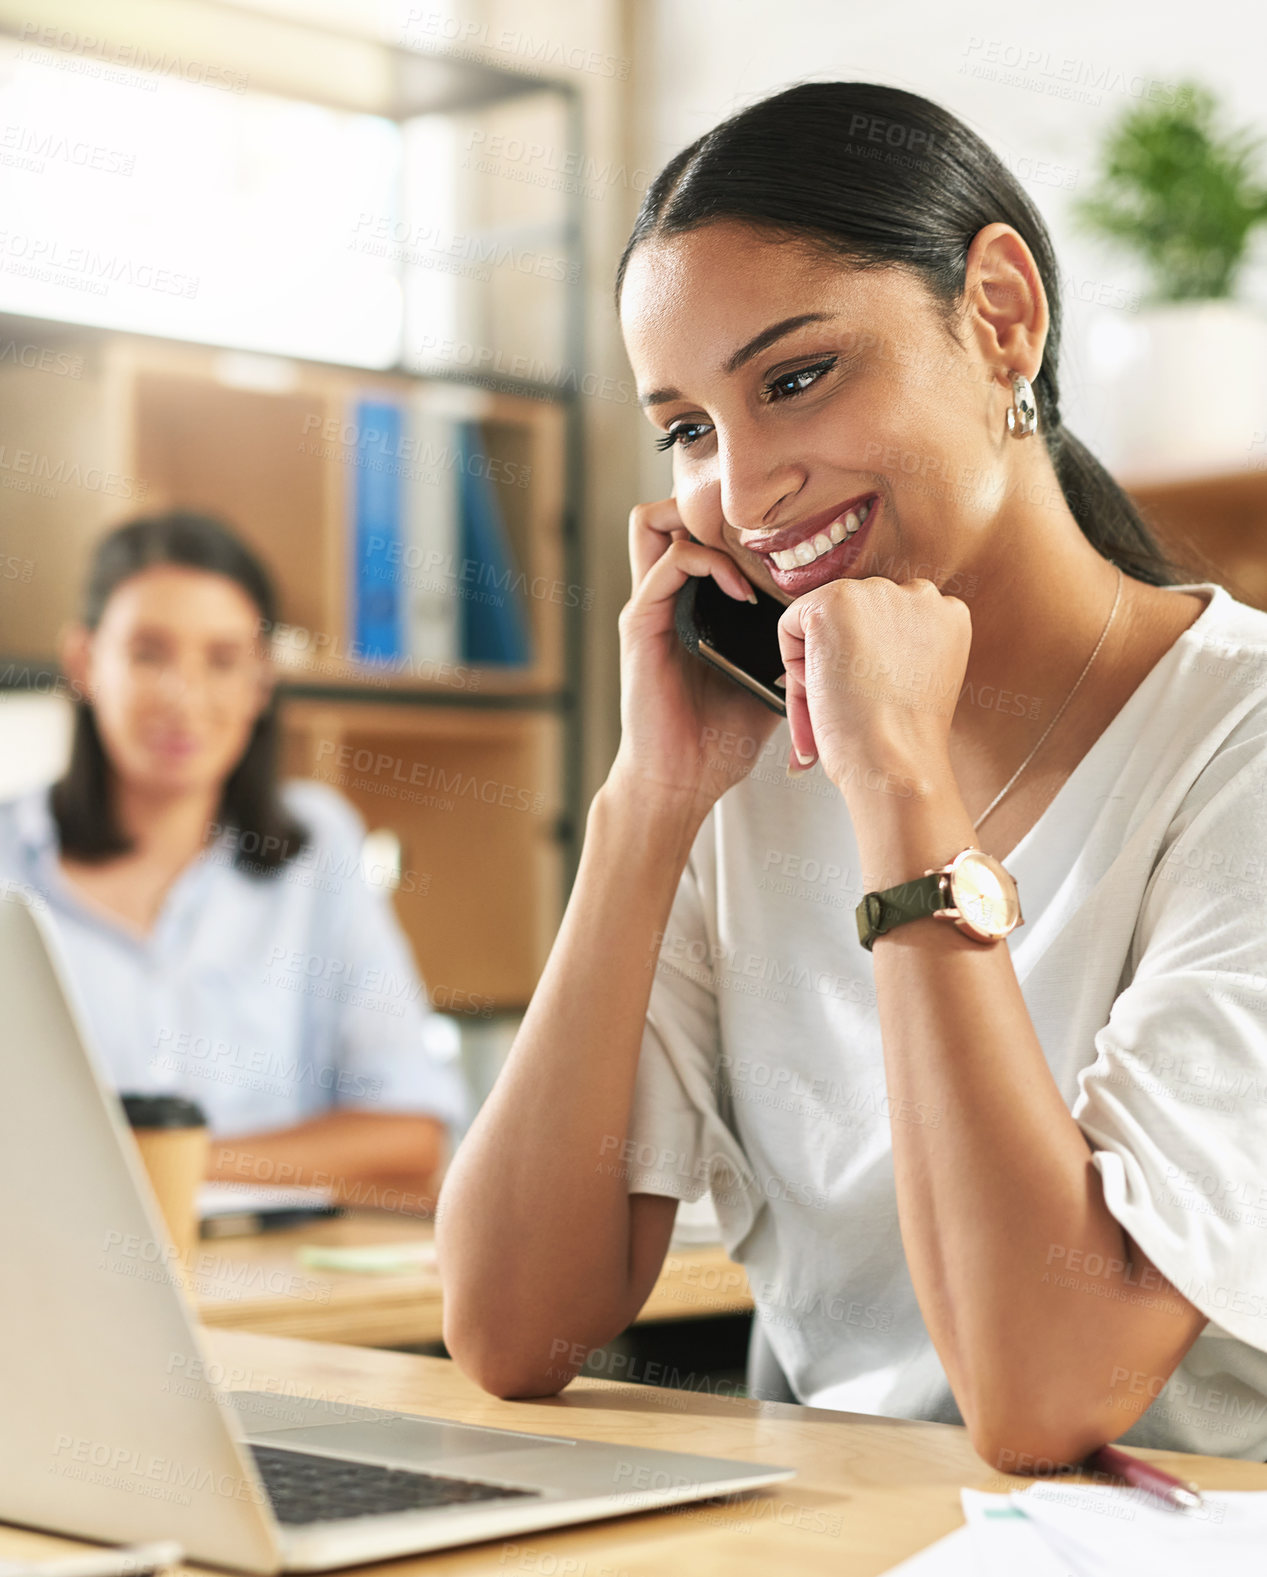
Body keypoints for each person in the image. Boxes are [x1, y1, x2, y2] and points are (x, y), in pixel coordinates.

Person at [436, 81, 1267, 1470]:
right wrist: (648, 803)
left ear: (999, 314)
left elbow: (1042, 1391)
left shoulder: (1231, 743)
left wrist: (894, 782)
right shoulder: (741, 773)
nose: (744, 492)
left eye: (795, 378)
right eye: (687, 430)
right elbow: (515, 1326)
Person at [0, 510, 468, 1212]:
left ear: (260, 681)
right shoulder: (14, 860)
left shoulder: (319, 848)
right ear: (83, 663)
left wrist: (156, 1166)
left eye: (222, 660)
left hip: (282, 1291)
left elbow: (408, 1135)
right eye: (148, 653)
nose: (184, 696)